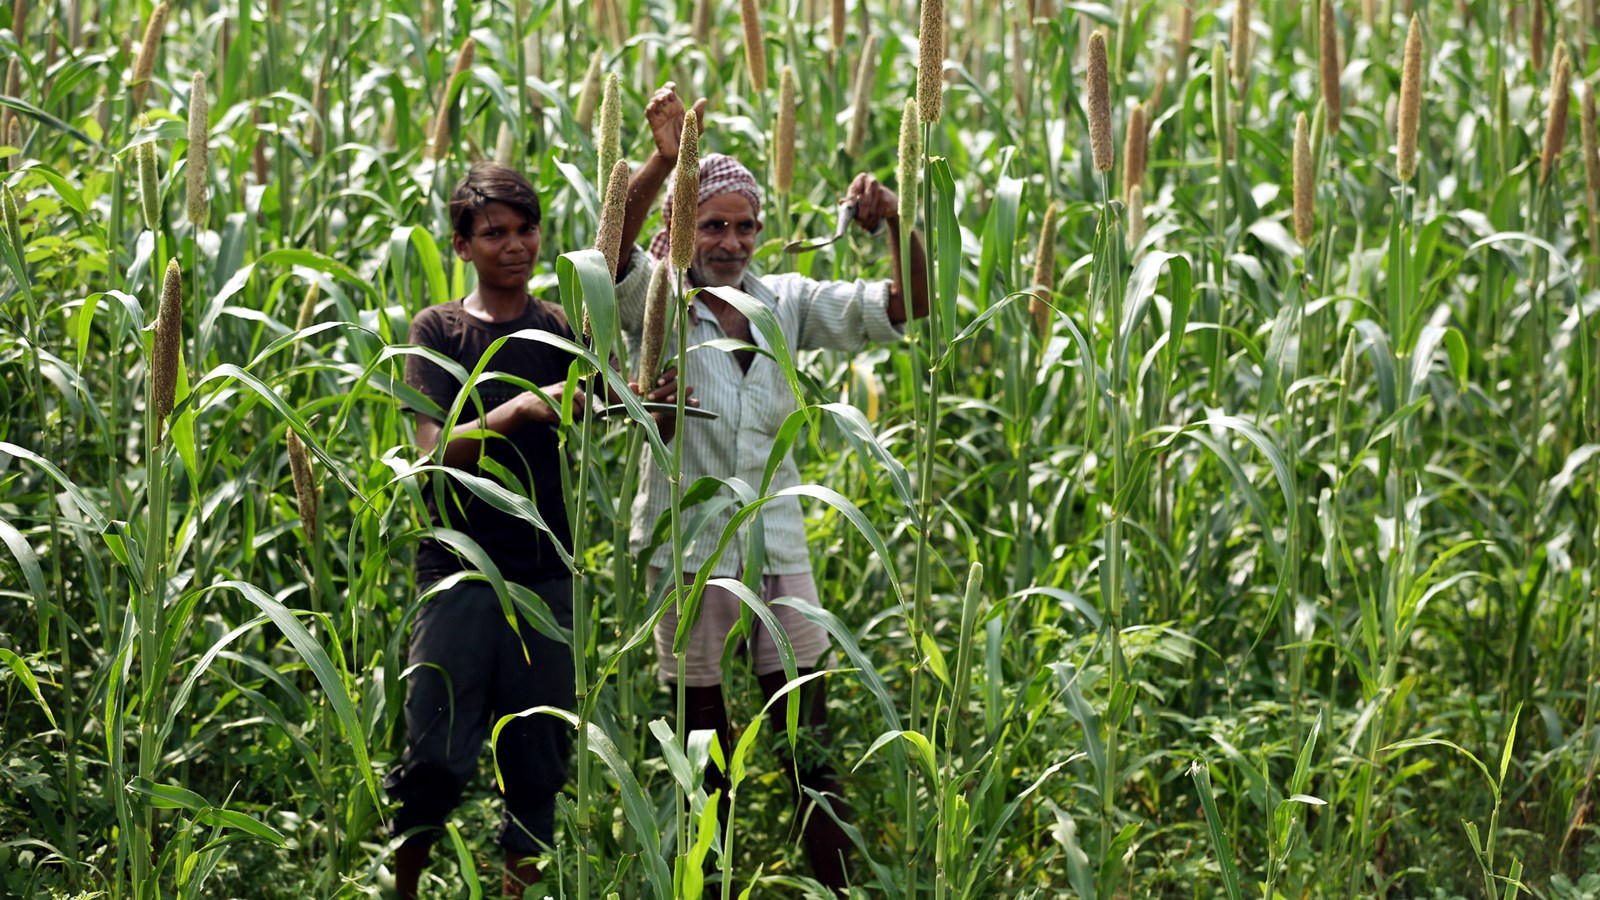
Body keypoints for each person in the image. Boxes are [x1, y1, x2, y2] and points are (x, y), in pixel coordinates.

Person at [613, 83, 929, 891]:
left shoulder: (781, 303)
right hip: (691, 558)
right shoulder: (658, 299)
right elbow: (607, 249)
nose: (730, 240)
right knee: (703, 756)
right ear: (686, 226)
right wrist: (663, 162)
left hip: (780, 551)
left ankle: (835, 888)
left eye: (743, 224)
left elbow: (907, 304)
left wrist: (895, 219)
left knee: (809, 749)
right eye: (712, 223)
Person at [386, 161, 680, 899]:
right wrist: (522, 408)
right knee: (432, 758)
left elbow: (610, 266)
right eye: (493, 234)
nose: (514, 246)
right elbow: (433, 456)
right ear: (461, 246)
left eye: (526, 230)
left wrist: (649, 403)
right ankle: (406, 888)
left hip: (544, 572)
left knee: (538, 759)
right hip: (458, 569)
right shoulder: (439, 330)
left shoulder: (554, 326)